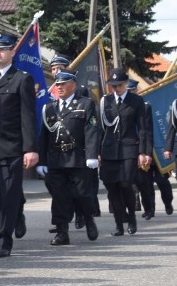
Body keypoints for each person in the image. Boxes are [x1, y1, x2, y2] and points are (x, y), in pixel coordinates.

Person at [0, 33, 38, 258]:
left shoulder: (21, 79)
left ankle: (4, 240)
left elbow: (27, 116)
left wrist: (30, 148)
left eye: (3, 49)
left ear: (12, 52)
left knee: (6, 194)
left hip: (11, 147)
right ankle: (0, 226)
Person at [35, 72, 101, 245]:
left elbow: (92, 131)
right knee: (59, 197)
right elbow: (44, 137)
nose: (60, 87)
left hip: (78, 158)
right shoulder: (49, 108)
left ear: (73, 85)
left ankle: (88, 219)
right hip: (56, 159)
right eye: (57, 84)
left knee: (83, 194)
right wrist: (41, 161)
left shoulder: (85, 104)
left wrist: (92, 155)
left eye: (63, 84)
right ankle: (62, 231)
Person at [99, 68, 151, 237]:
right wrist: (96, 152)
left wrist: (144, 152)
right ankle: (119, 224)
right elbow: (100, 129)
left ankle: (132, 218)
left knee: (125, 183)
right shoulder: (104, 101)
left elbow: (143, 129)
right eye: (113, 86)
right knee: (112, 187)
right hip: (108, 150)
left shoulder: (136, 101)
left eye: (119, 85)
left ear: (126, 84)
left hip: (129, 148)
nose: (116, 88)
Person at [128, 80, 174, 219]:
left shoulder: (146, 105)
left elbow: (148, 130)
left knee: (162, 181)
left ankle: (168, 203)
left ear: (136, 90)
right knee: (144, 183)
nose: (130, 93)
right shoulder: (126, 107)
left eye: (132, 91)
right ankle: (149, 210)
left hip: (156, 149)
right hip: (140, 150)